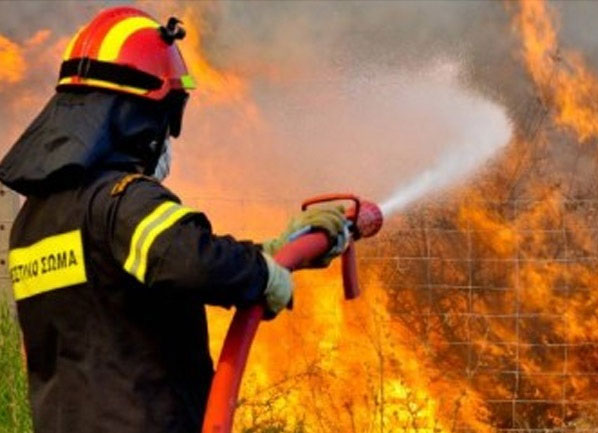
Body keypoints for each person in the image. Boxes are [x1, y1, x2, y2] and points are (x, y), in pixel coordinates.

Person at [0, 6, 348, 433]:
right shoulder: (123, 201)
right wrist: (263, 274)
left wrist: (271, 252)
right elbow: (191, 259)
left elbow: (132, 274)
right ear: (140, 117)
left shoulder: (33, 222)